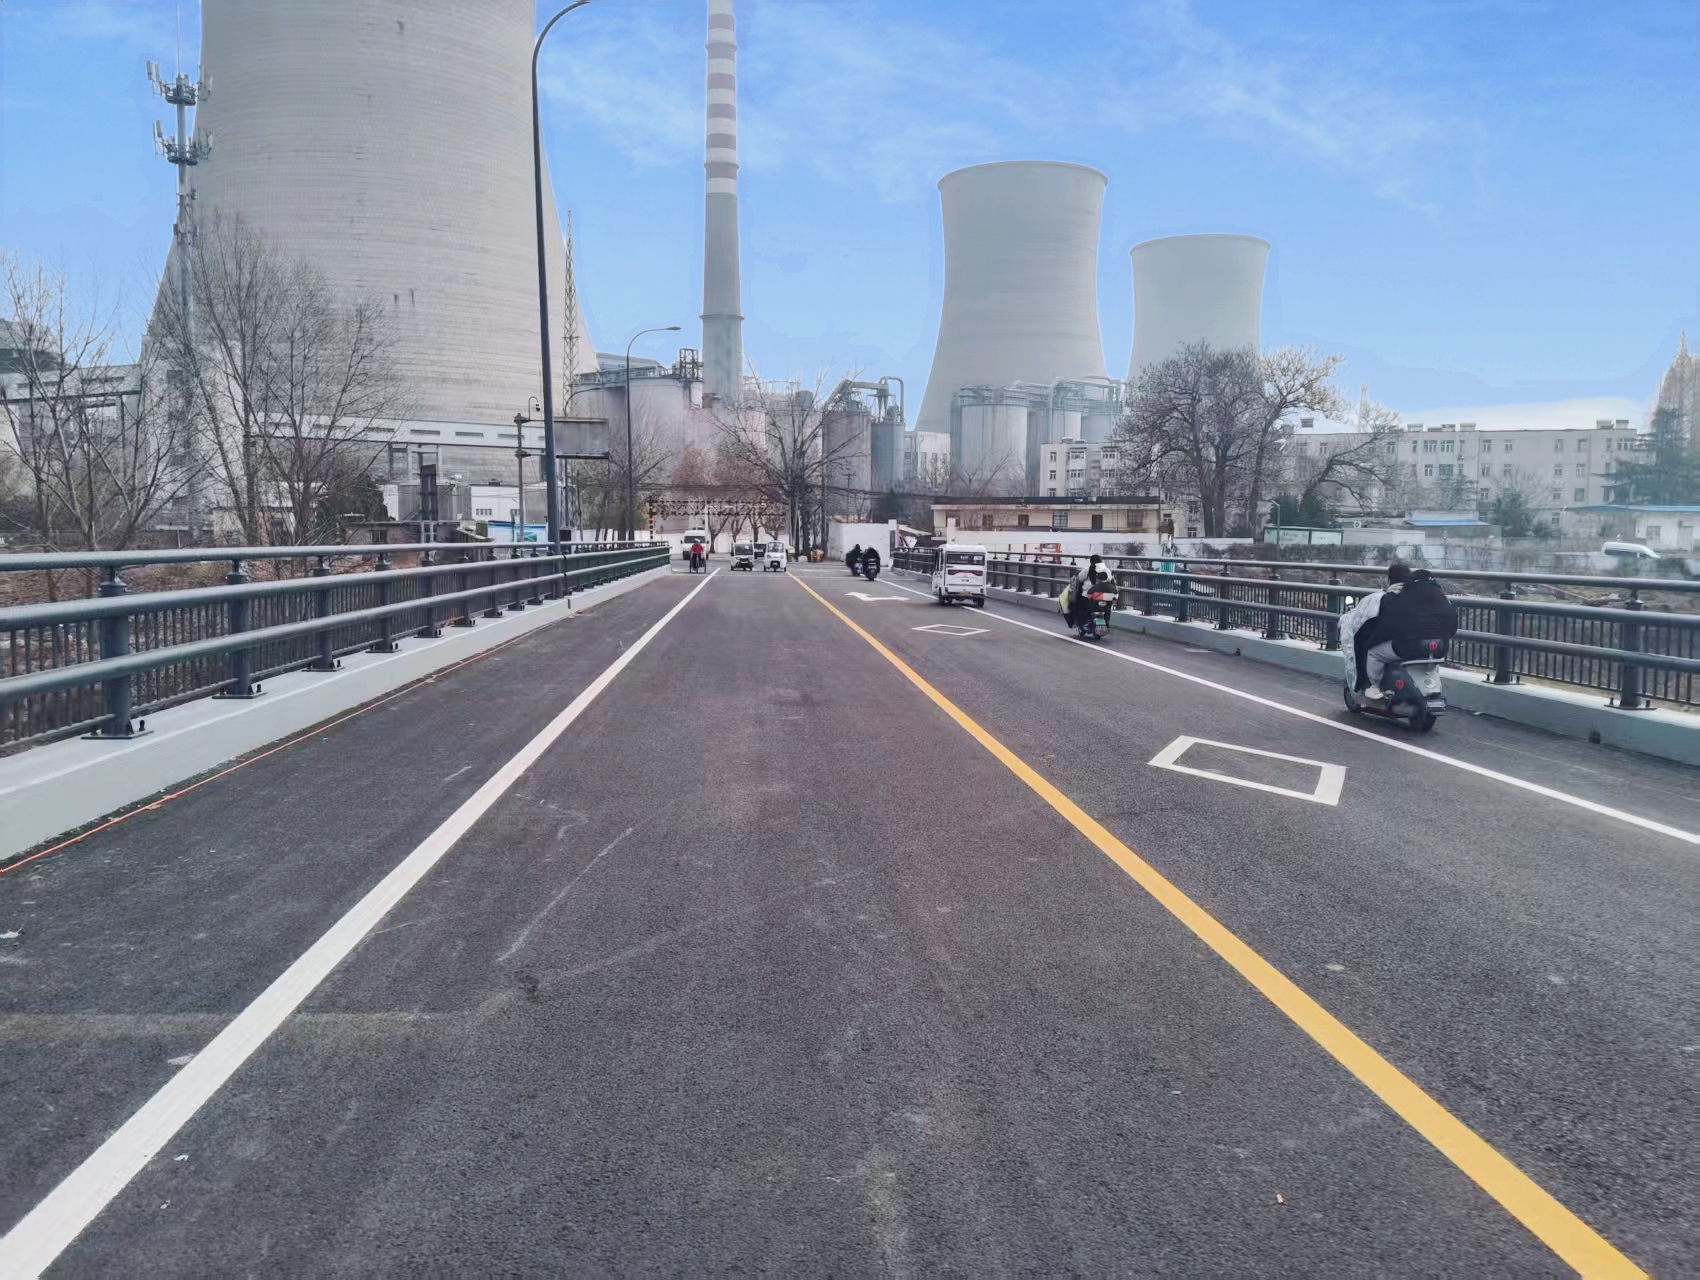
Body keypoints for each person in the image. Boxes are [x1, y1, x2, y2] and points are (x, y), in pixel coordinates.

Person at [1063, 554, 1116, 633]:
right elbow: (1111, 581)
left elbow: (1079, 579)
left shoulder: (1087, 570)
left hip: (1090, 596)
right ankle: (1106, 622)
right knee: (1107, 608)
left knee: (1078, 605)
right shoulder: (1107, 571)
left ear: (1091, 562)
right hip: (1104, 596)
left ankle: (1083, 622)